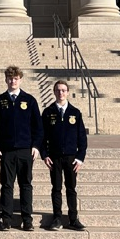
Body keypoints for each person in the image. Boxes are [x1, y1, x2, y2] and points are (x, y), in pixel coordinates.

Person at [0, 65, 42, 231]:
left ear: (20, 79)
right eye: (10, 78)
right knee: (7, 185)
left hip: (25, 150)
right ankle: (6, 218)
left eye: (15, 78)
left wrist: (36, 145)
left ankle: (27, 219)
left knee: (25, 184)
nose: (13, 81)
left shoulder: (29, 100)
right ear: (6, 80)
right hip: (6, 150)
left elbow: (37, 126)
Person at [42, 80, 87, 231]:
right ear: (54, 92)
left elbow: (82, 138)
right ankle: (57, 218)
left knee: (71, 188)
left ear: (67, 92)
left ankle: (73, 219)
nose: (60, 93)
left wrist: (80, 158)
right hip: (54, 157)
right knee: (56, 188)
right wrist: (44, 155)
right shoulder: (48, 112)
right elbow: (42, 137)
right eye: (58, 90)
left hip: (71, 158)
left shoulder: (75, 113)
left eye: (63, 90)